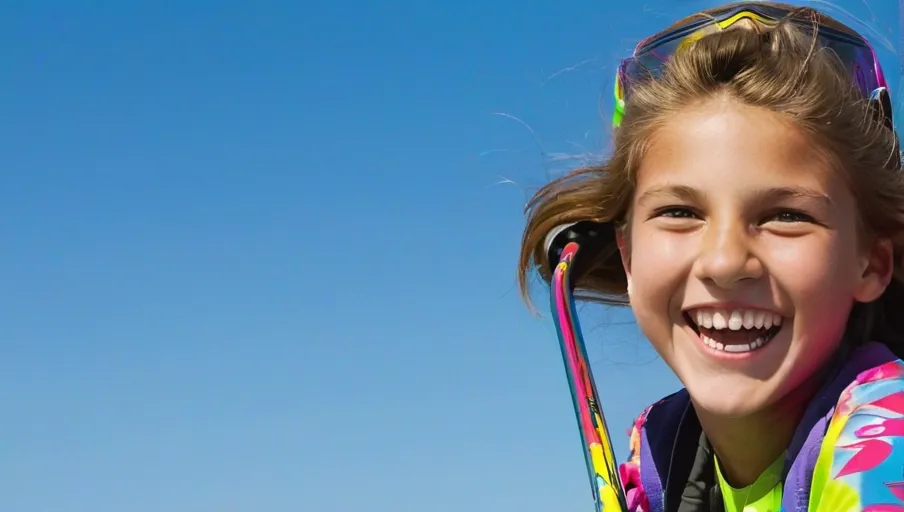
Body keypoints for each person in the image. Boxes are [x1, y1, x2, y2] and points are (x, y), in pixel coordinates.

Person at [516, 2, 904, 511]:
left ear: (870, 263)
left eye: (786, 216)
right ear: (627, 255)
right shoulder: (660, 456)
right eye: (680, 212)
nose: (724, 262)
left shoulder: (888, 441)